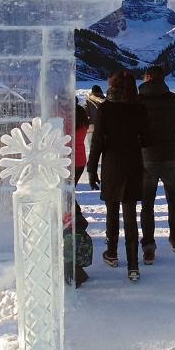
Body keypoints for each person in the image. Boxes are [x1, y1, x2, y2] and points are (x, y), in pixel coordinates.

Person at [87, 69, 152, 282]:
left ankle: (112, 253)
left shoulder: (105, 108)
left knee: (112, 211)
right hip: (133, 164)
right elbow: (147, 139)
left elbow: (97, 142)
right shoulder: (139, 108)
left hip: (111, 165)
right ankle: (133, 265)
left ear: (112, 86)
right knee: (130, 215)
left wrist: (91, 169)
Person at [138, 65, 175, 260]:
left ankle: (149, 246)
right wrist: (173, 141)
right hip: (170, 156)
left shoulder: (138, 101)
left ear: (148, 77)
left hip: (146, 158)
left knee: (147, 204)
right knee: (173, 200)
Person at [65, 100, 92, 287]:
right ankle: (76, 218)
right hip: (80, 159)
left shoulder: (66, 116)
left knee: (66, 197)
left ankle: (77, 220)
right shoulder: (81, 114)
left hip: (66, 160)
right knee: (68, 195)